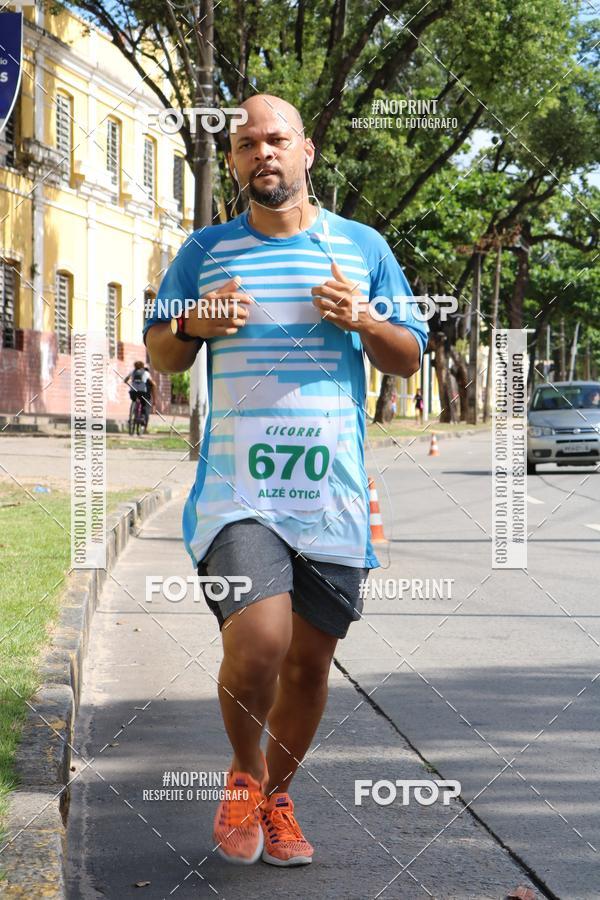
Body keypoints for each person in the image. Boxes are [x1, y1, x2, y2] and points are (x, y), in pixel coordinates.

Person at [144, 94, 428, 868]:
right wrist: (193, 326)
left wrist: (366, 321)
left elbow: (407, 355)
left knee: (309, 663)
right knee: (262, 642)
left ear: (307, 153)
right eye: (245, 144)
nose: (262, 153)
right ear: (234, 161)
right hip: (238, 493)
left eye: (277, 140)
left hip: (331, 496)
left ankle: (275, 798)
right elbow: (162, 355)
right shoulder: (205, 251)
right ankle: (244, 772)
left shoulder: (362, 247)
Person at [124, 360, 155, 430]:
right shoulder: (145, 373)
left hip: (133, 391)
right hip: (142, 392)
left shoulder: (132, 372)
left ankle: (131, 417)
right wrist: (153, 384)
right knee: (143, 404)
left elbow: (126, 380)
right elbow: (151, 382)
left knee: (134, 400)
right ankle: (142, 417)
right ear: (142, 366)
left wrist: (126, 381)